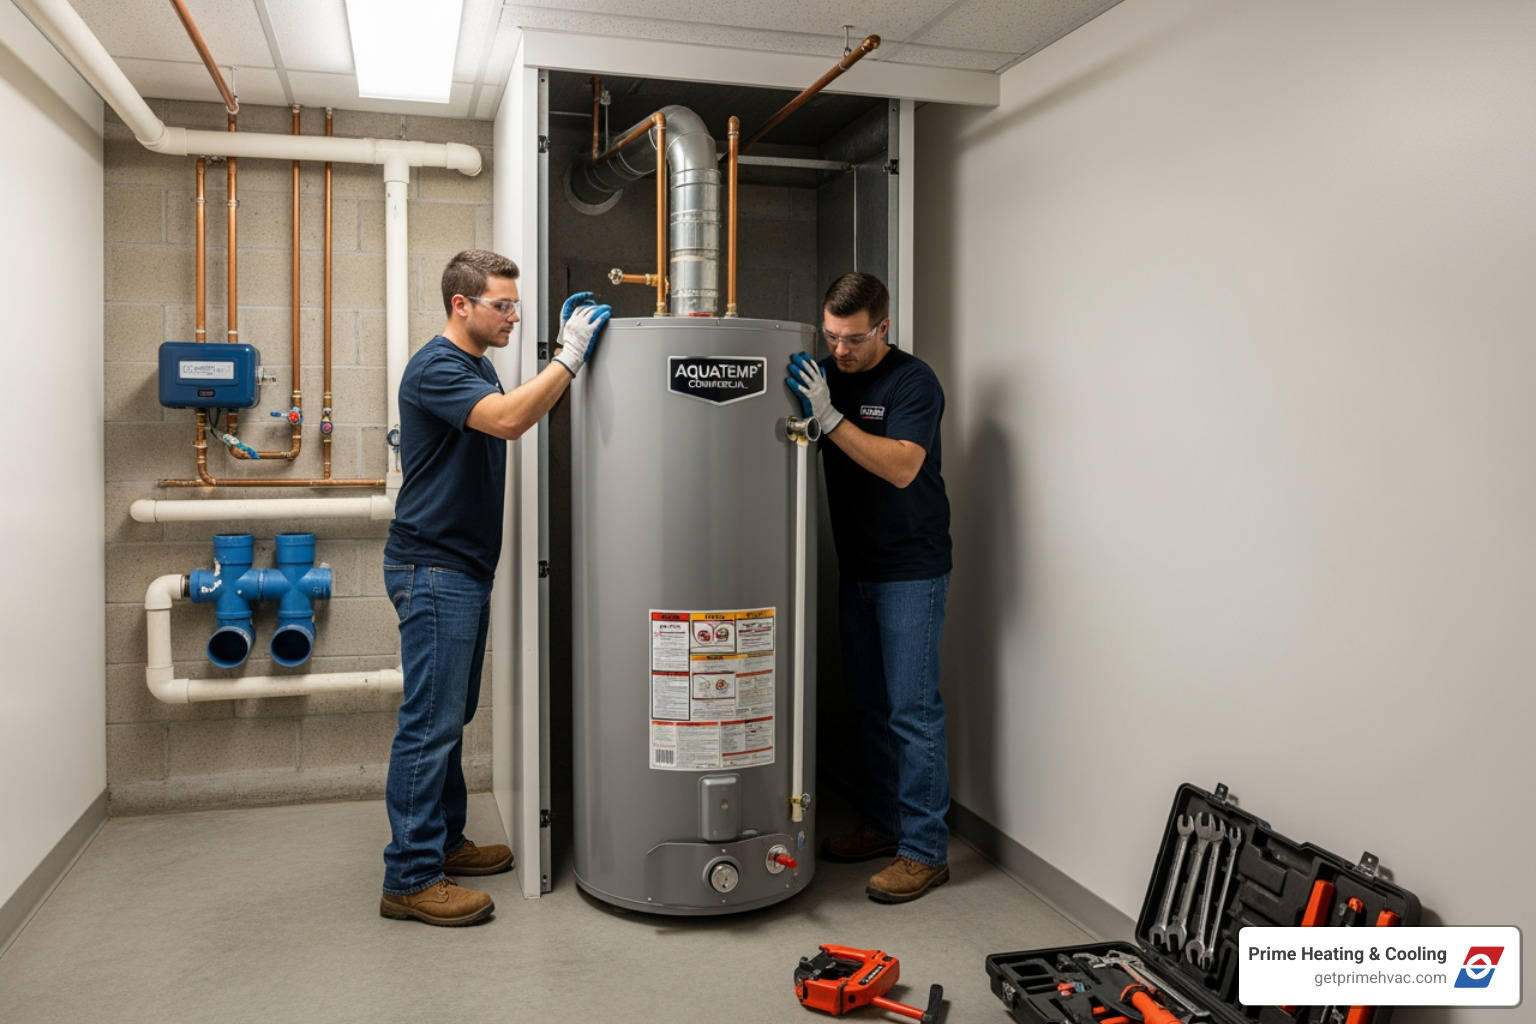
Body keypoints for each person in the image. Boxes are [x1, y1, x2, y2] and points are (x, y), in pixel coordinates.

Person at [379, 249, 609, 925]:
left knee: (448, 718)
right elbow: (510, 420)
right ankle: (411, 877)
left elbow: (506, 406)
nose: (513, 316)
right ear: (462, 305)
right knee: (429, 725)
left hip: (459, 567)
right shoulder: (438, 366)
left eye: (515, 305)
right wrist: (568, 355)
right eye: (502, 305)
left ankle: (444, 844)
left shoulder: (473, 365)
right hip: (434, 567)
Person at [785, 272, 954, 904]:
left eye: (853, 339)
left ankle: (925, 851)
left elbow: (904, 466)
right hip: (857, 567)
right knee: (870, 706)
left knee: (913, 713)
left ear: (882, 327)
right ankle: (885, 826)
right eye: (831, 336)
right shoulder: (830, 372)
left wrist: (828, 418)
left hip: (911, 570)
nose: (841, 351)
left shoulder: (913, 381)